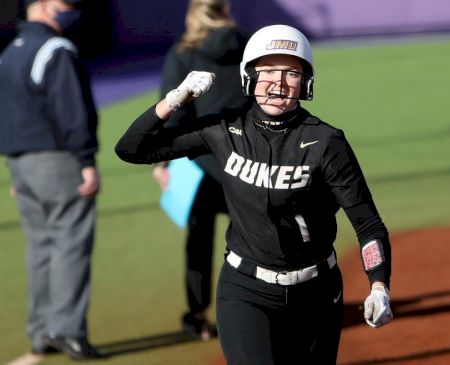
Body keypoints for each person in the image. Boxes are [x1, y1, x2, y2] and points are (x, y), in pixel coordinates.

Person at [115, 24, 393, 364]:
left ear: (306, 81)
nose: (277, 82)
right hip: (246, 290)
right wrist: (176, 99)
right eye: (267, 71)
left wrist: (378, 285)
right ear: (249, 77)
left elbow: (368, 225)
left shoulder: (326, 143)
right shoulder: (222, 130)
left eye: (291, 72)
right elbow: (131, 149)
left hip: (317, 294)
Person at [0, 0, 104, 360]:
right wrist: (86, 161)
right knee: (70, 244)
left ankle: (41, 332)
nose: (70, 9)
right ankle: (67, 331)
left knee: (39, 248)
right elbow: (72, 111)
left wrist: (16, 167)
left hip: (20, 162)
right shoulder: (56, 49)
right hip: (56, 159)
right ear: (42, 5)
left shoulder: (10, 51)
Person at [153, 0, 247, 340]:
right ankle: (246, 311)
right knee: (248, 242)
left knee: (199, 242)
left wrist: (163, 161)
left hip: (199, 164)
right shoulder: (247, 45)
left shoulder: (184, 53)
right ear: (225, 9)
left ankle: (197, 315)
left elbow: (173, 111)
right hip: (244, 160)